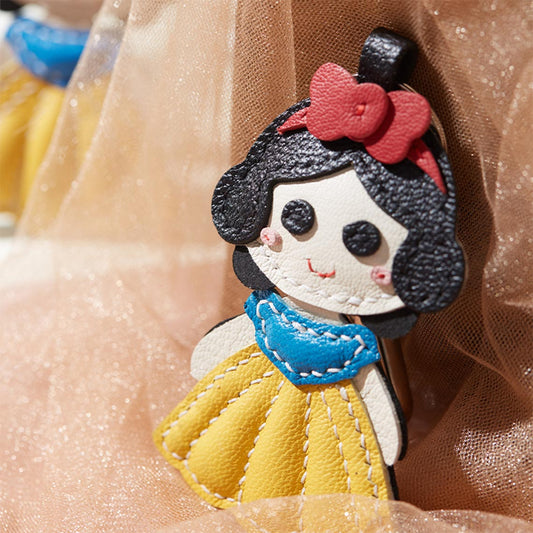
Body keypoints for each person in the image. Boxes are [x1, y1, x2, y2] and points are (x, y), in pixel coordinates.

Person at [154, 29, 464, 510]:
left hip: (331, 429)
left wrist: (386, 434)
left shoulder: (356, 349)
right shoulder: (267, 316)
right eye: (297, 218)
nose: (320, 258)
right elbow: (216, 351)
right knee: (227, 450)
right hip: (248, 392)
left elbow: (384, 412)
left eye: (363, 241)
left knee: (323, 486)